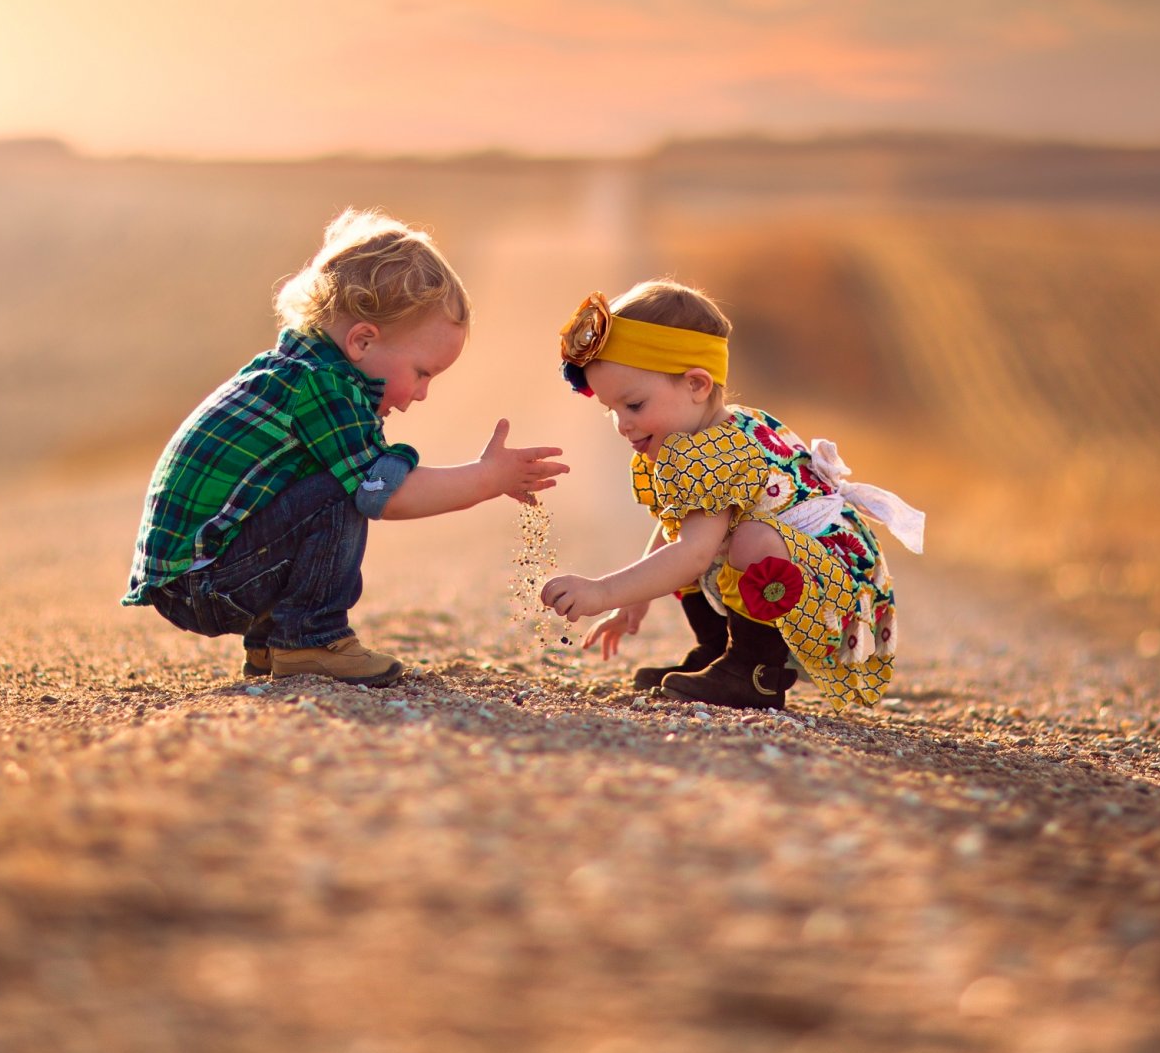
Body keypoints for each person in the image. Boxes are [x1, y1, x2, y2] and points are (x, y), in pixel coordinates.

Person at [123, 208, 566, 687]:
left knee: (323, 481)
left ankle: (273, 645)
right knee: (349, 486)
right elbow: (385, 493)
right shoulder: (324, 387)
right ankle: (309, 640)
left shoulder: (293, 370)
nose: (422, 394)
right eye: (423, 372)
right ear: (362, 341)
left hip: (195, 577)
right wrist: (487, 478)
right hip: (206, 585)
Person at [539, 280, 922, 711]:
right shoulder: (704, 436)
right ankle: (719, 652)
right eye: (611, 410)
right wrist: (635, 601)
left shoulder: (718, 452)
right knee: (710, 538)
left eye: (634, 405)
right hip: (800, 569)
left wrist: (604, 592)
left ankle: (754, 672)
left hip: (827, 588)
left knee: (746, 539)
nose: (623, 424)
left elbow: (692, 554)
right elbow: (677, 530)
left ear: (697, 385)